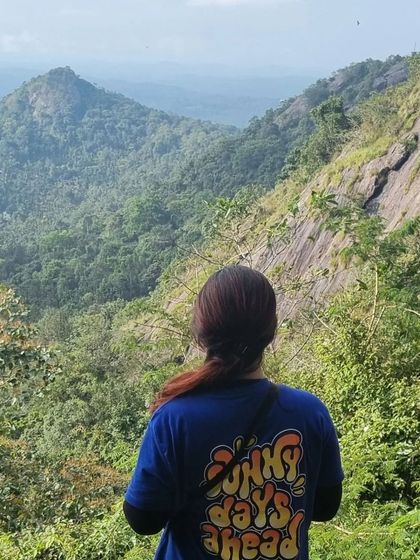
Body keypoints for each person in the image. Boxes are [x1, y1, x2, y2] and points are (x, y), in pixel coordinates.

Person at [124, 265, 343, 560]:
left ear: (201, 332)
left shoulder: (175, 419)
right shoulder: (308, 412)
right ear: (271, 330)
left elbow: (143, 520)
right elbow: (325, 508)